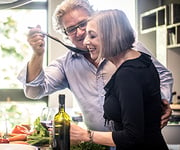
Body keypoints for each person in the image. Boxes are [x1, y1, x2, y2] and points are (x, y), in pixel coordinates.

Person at [17, 0, 173, 136]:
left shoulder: (128, 49)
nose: (80, 32)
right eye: (71, 29)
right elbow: (34, 91)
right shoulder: (65, 65)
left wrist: (160, 102)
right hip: (97, 143)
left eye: (83, 23)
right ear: (65, 34)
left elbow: (163, 76)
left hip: (138, 141)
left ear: (94, 20)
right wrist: (37, 54)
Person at [70, 9, 169, 150]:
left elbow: (133, 137)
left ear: (111, 36)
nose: (86, 42)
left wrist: (86, 135)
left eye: (92, 36)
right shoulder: (142, 60)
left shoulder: (127, 75)